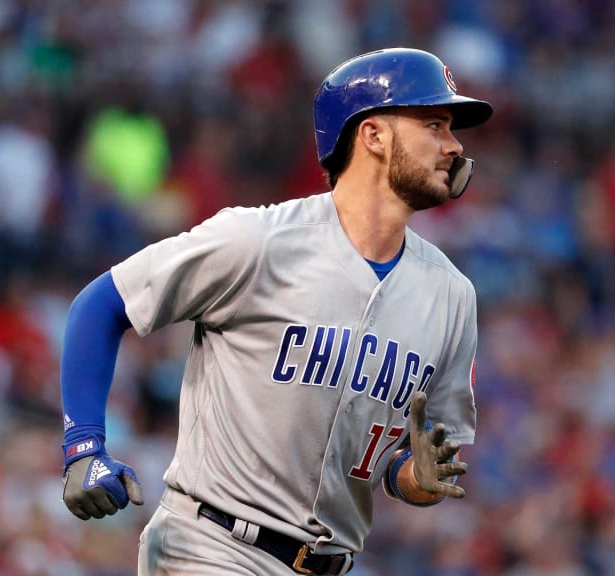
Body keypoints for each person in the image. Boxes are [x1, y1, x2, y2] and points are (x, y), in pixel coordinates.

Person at [58, 47, 493, 575]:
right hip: (212, 544)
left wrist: (415, 479)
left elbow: (410, 463)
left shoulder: (451, 296)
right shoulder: (258, 241)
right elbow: (102, 304)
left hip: (330, 562)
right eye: (435, 125)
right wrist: (83, 445)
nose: (454, 145)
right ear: (373, 136)